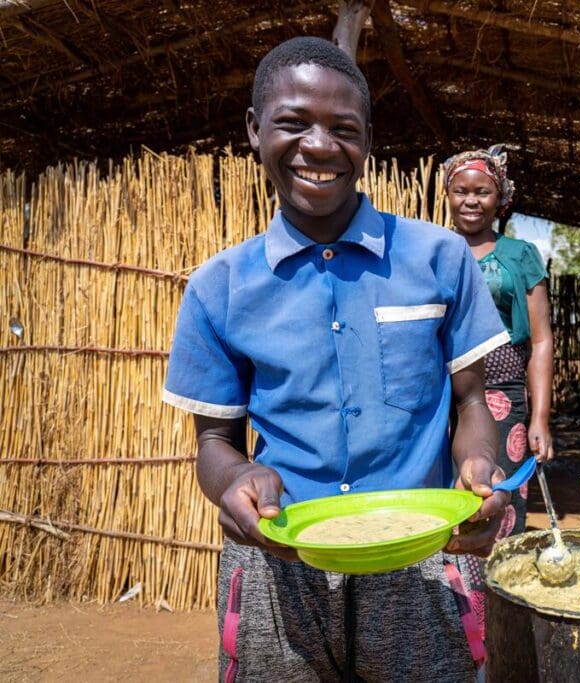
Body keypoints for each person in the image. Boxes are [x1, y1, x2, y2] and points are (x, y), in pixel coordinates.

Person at [162, 37, 510, 682]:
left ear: (369, 139)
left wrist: (478, 465)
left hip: (421, 556)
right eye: (293, 123)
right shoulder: (220, 286)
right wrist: (235, 480)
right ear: (254, 129)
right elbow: (214, 439)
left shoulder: (439, 258)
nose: (319, 146)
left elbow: (471, 401)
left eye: (342, 129)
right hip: (280, 562)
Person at [441, 145, 555, 643]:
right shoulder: (432, 251)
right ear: (446, 195)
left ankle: (497, 631)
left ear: (500, 197)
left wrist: (540, 417)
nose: (471, 201)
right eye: (460, 191)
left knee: (497, 503)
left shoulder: (519, 256)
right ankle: (446, 623)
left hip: (503, 397)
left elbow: (542, 338)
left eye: (482, 191)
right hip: (438, 396)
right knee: (441, 501)